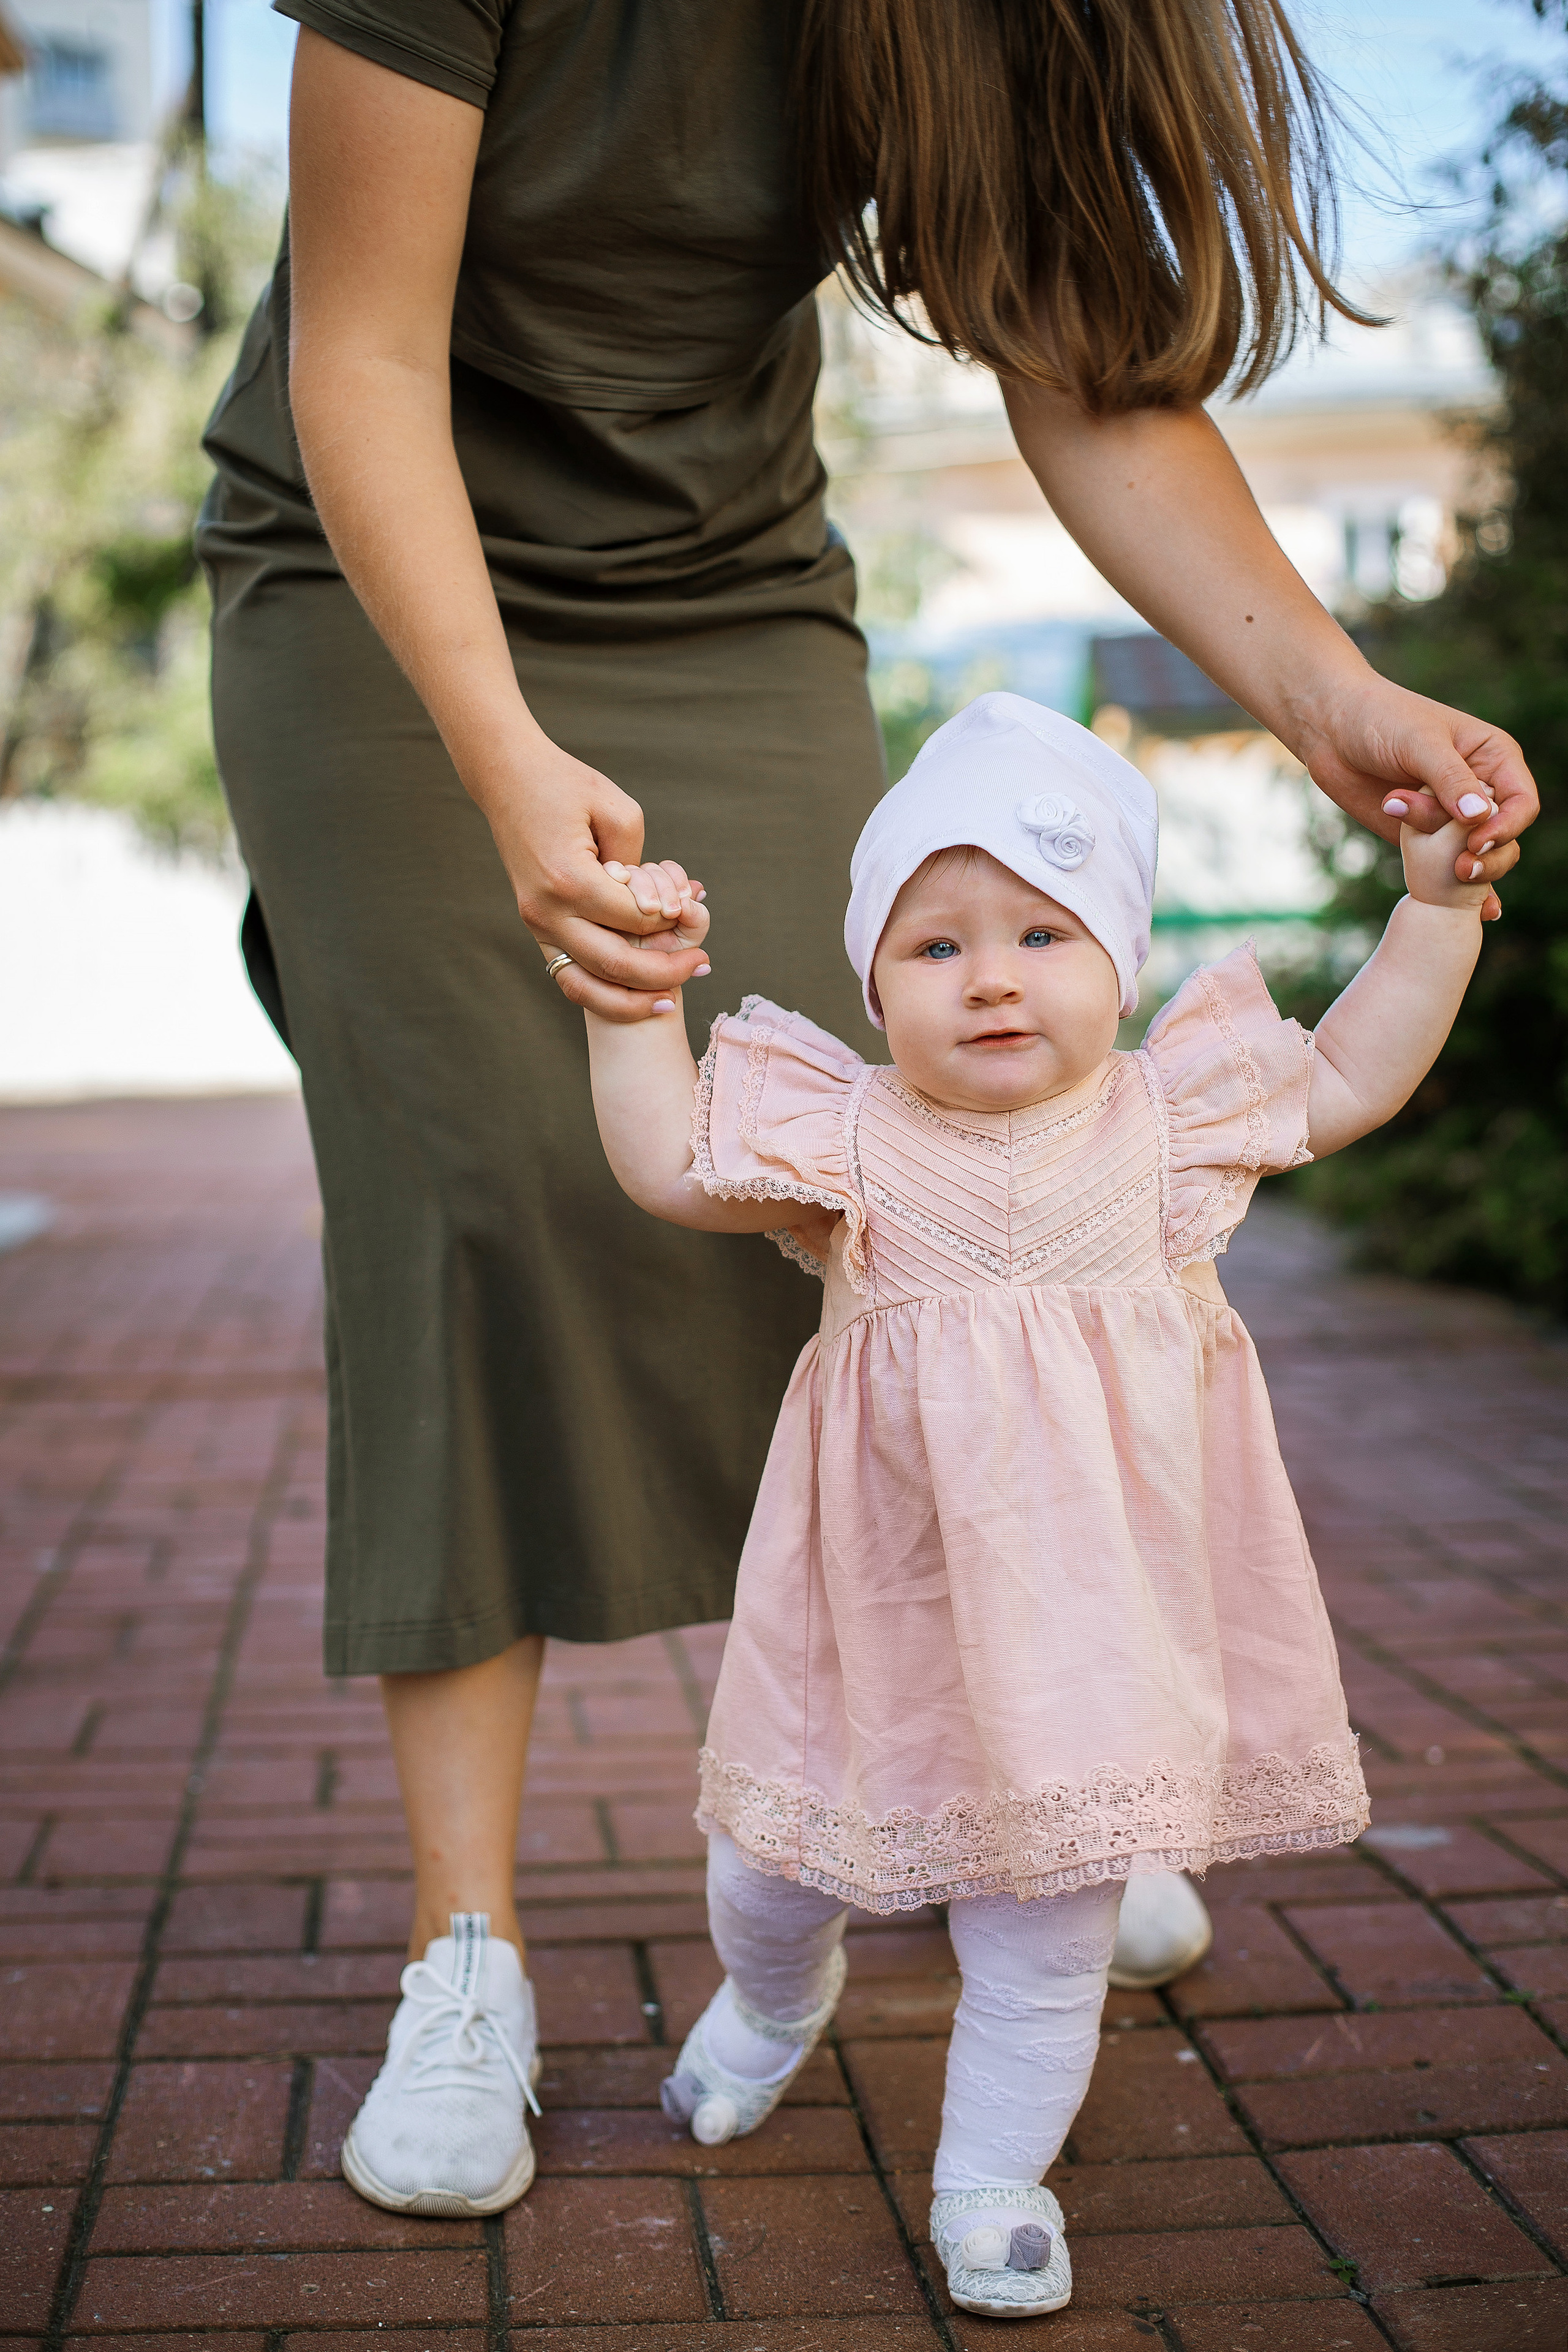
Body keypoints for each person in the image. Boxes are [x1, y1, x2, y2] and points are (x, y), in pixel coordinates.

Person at [195, 0, 1534, 2216]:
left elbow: (1088, 376)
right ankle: (469, 1952)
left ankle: (1016, 1806)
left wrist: (1331, 700)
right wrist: (507, 764)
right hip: (375, 590)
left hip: (728, 601)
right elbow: (360, 360)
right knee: (485, 1200)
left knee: (868, 1202)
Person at [581, 690, 1499, 2316]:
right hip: (878, 1612)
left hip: (1092, 1626)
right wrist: (630, 1007)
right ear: (874, 984)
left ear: (1124, 961)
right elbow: (664, 1166)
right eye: (933, 947)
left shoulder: (1170, 1122)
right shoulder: (848, 1136)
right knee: (778, 1861)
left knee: (1044, 1917)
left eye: (1042, 933)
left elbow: (1352, 1070)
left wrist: (1436, 912)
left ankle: (993, 2176)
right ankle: (772, 2001)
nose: (991, 973)